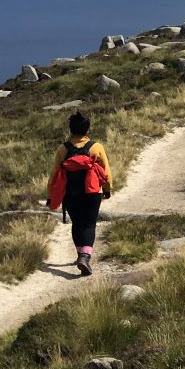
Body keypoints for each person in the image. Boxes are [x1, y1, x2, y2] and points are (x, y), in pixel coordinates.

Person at [46, 111, 112, 276]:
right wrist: (107, 188)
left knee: (77, 223)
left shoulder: (63, 149)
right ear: (87, 129)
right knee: (89, 224)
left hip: (70, 193)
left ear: (71, 129)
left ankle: (80, 254)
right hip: (91, 192)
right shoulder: (96, 147)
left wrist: (50, 195)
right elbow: (105, 170)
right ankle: (85, 256)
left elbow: (54, 174)